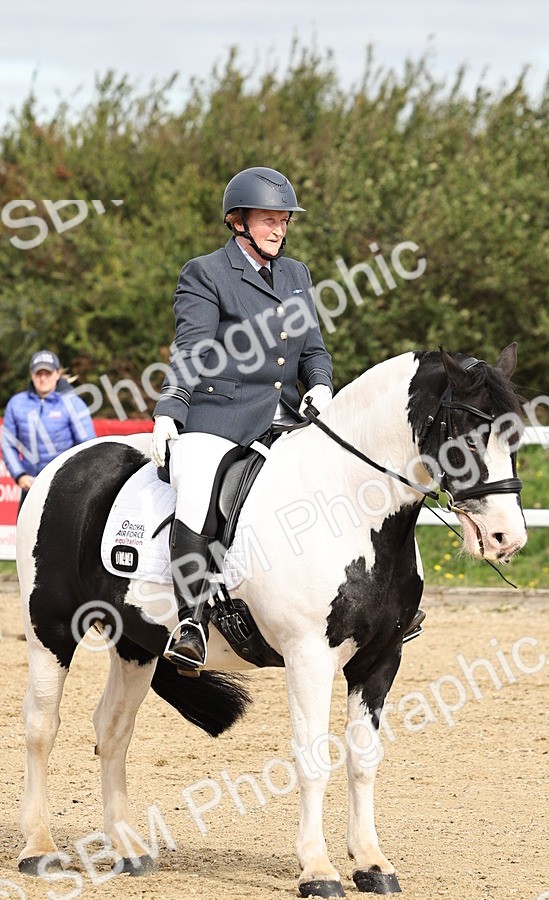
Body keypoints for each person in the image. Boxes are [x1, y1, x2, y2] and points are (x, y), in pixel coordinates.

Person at [151, 167, 333, 675]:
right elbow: (190, 349)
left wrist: (319, 382)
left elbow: (313, 348)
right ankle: (191, 622)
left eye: (283, 221)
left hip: (290, 417)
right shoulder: (206, 273)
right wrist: (171, 407)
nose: (279, 229)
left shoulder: (296, 275)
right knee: (197, 488)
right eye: (269, 220)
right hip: (221, 414)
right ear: (239, 222)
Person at [1, 349, 96, 511]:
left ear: (58, 373)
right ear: (31, 374)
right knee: (25, 535)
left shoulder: (73, 403)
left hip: (64, 488)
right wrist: (20, 475)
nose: (43, 378)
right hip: (30, 488)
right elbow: (7, 444)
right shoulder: (16, 404)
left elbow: (88, 447)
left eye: (48, 373)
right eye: (39, 373)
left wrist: (74, 479)